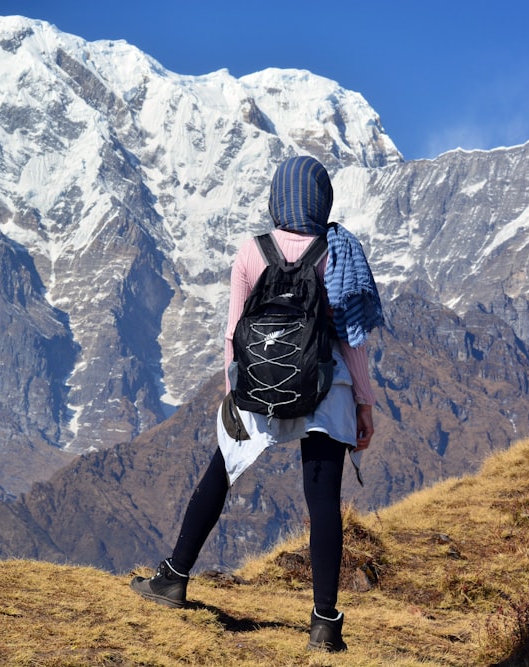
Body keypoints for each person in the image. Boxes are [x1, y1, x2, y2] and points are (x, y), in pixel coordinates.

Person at [130, 155, 384, 653]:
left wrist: (235, 395)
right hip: (324, 389)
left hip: (257, 388)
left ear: (277, 198)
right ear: (321, 198)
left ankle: (174, 578)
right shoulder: (338, 251)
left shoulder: (251, 252)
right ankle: (324, 623)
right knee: (323, 501)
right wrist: (365, 404)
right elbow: (352, 341)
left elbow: (233, 334)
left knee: (219, 475)